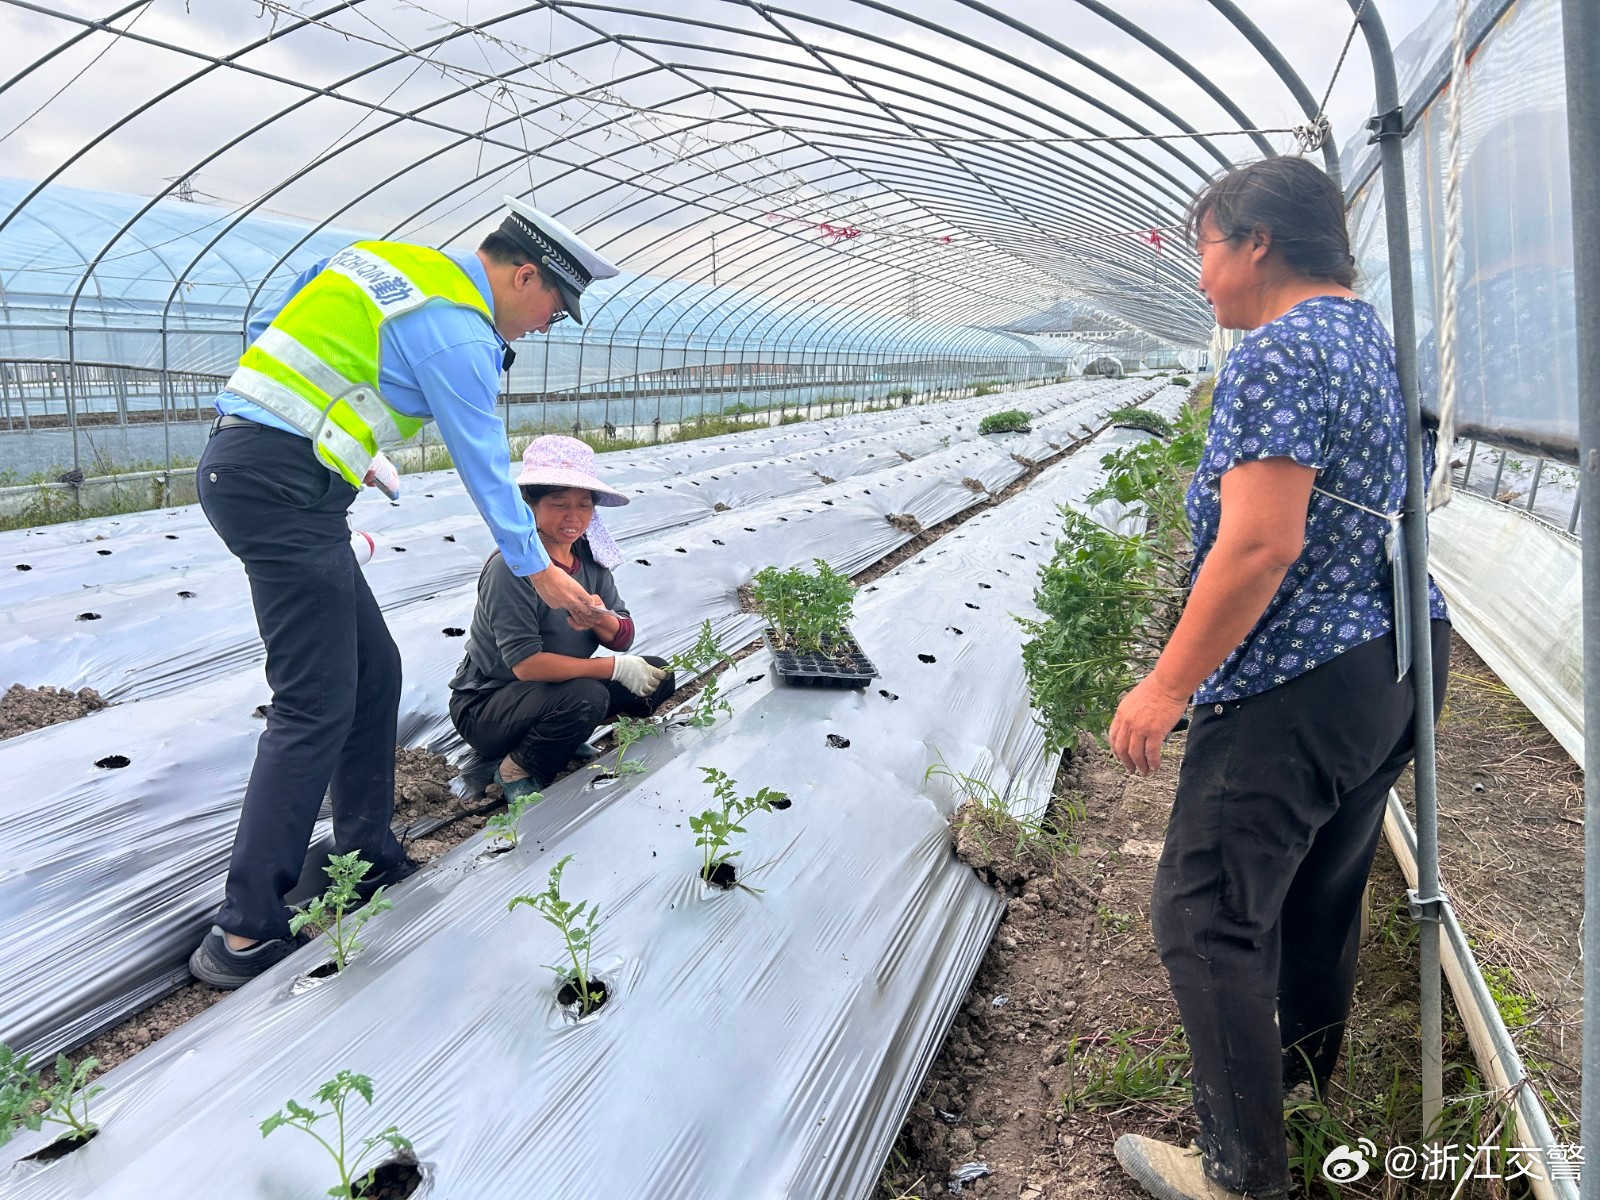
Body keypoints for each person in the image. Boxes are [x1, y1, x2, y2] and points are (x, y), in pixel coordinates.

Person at [1107, 157, 1451, 1200]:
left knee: (1204, 913)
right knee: (1316, 896)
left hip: (1300, 675)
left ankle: (1241, 1175)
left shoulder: (1278, 354)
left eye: (1204, 248)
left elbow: (1260, 546)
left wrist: (1165, 685)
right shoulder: (1369, 338)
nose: (1201, 277)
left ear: (1256, 241)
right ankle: (1296, 1101)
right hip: (1396, 662)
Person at [189, 198, 623, 989]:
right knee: (313, 702)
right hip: (278, 487)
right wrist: (543, 572)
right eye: (552, 310)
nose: (544, 325)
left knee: (375, 673)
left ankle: (367, 853)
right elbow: (486, 463)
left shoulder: (386, 261)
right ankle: (245, 928)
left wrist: (333, 445)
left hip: (278, 473)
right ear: (523, 275)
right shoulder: (460, 328)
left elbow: (304, 334)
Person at [449, 436, 674, 799]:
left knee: (656, 674)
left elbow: (623, 636)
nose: (574, 517)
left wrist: (599, 619)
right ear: (530, 505)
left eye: (584, 505)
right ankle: (513, 768)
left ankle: (560, 735)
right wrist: (613, 669)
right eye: (559, 504)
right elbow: (526, 666)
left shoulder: (588, 559)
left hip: (552, 691)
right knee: (586, 695)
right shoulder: (512, 569)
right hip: (489, 704)